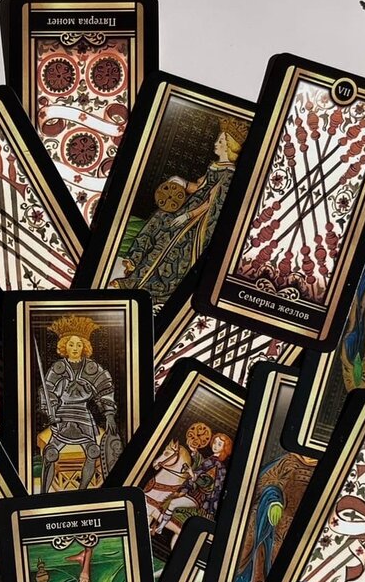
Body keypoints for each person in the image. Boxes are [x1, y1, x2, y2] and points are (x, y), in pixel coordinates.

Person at [114, 115, 250, 305]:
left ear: (229, 147)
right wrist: (182, 182)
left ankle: (139, 284)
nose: (216, 143)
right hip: (189, 207)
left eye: (220, 141)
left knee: (171, 238)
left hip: (199, 221)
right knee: (160, 216)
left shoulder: (228, 174)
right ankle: (134, 261)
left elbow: (211, 203)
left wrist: (187, 216)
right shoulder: (215, 166)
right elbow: (198, 188)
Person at [38, 315, 117, 492]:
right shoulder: (58, 368)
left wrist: (109, 415)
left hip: (84, 416)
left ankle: (82, 492)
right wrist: (51, 410)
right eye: (71, 344)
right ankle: (43, 494)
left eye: (79, 344)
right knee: (50, 454)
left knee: (93, 452)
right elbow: (47, 391)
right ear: (64, 346)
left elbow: (105, 389)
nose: (75, 348)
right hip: (62, 416)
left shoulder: (93, 369)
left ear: (85, 346)